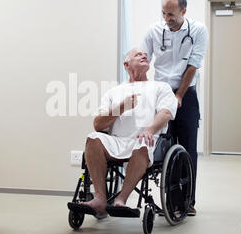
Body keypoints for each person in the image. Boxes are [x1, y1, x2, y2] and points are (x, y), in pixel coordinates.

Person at [70, 48, 177, 218]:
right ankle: (99, 198)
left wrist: (149, 130)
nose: (144, 56)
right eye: (138, 55)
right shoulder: (113, 92)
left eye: (145, 55)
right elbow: (98, 124)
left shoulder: (160, 87)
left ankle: (121, 198)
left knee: (142, 143)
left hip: (146, 140)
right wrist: (121, 107)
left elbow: (165, 113)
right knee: (93, 138)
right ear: (126, 65)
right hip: (117, 141)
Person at [141, 0, 209, 216]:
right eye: (163, 13)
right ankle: (170, 201)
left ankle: (187, 201)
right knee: (165, 147)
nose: (166, 18)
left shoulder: (197, 30)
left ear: (183, 12)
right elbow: (143, 59)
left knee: (188, 148)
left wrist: (178, 96)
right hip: (159, 94)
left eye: (171, 14)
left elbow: (193, 66)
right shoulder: (154, 31)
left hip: (186, 95)